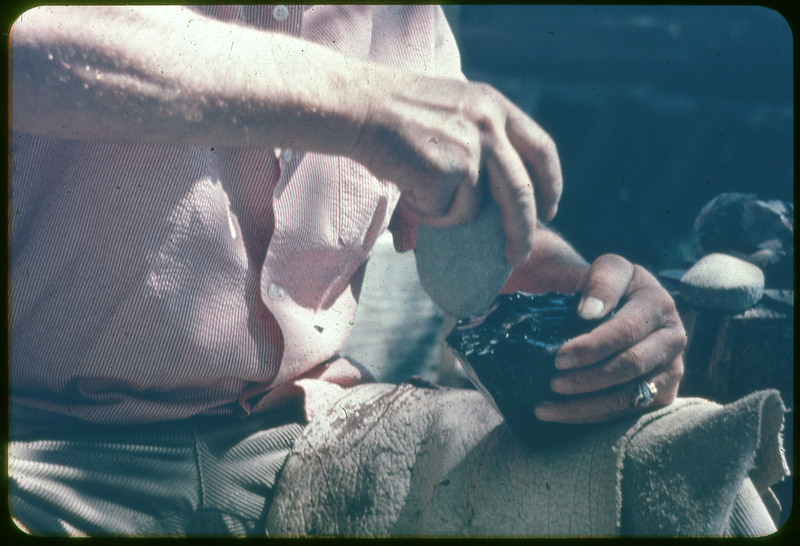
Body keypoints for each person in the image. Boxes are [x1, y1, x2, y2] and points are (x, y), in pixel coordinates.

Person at [10, 5, 690, 536]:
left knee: (676, 460)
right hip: (41, 451)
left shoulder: (402, 16)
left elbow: (463, 223)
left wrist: (585, 302)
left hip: (309, 438)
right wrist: (366, 108)